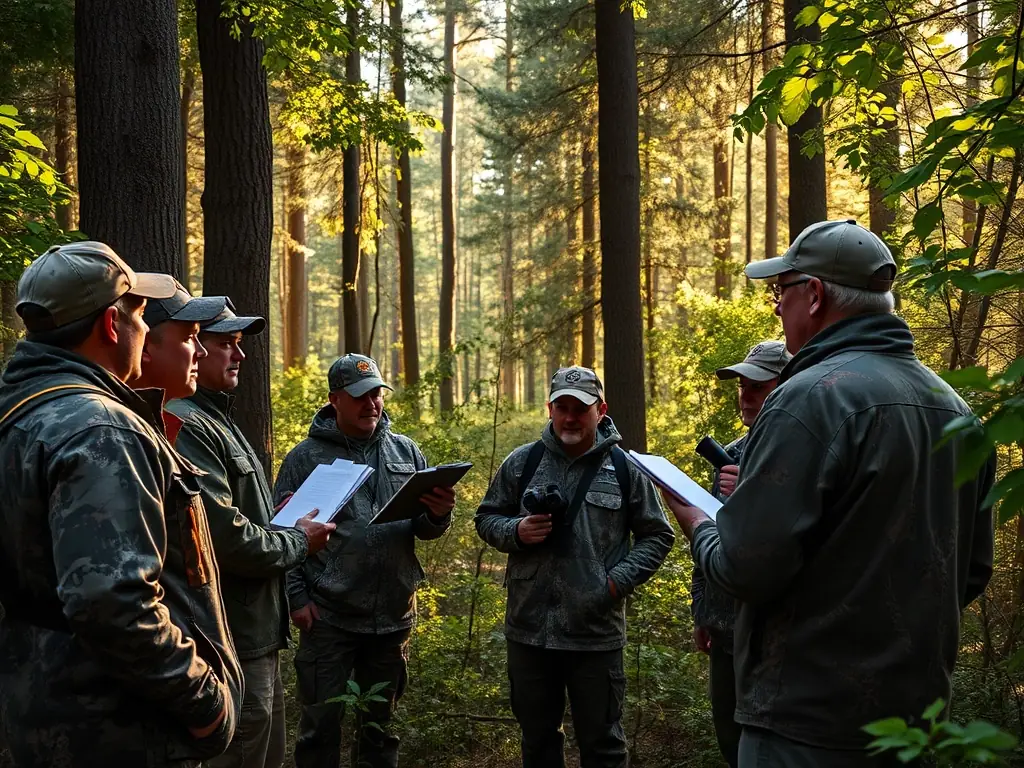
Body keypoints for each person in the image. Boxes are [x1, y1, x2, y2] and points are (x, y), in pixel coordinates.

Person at [665, 220, 995, 767]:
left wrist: (699, 522)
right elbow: (973, 570)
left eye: (781, 292)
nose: (776, 309)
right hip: (914, 727)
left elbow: (745, 567)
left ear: (814, 295)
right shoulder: (956, 409)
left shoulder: (808, 400)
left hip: (804, 727)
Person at [0, 242, 242, 767]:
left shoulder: (19, 416)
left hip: (39, 715)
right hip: (121, 731)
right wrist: (205, 703)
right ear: (112, 325)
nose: (143, 327)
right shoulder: (102, 428)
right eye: (137, 314)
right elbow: (112, 602)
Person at [475, 366, 675, 768]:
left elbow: (658, 535)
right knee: (538, 743)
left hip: (595, 635)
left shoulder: (626, 469)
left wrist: (615, 583)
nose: (570, 417)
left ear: (600, 410)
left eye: (580, 409)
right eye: (562, 407)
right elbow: (486, 518)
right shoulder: (522, 463)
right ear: (549, 408)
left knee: (602, 746)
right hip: (529, 632)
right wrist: (517, 531)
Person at [166, 299, 336, 768]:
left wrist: (275, 520)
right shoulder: (187, 424)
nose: (239, 357)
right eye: (226, 345)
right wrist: (299, 540)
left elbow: (233, 518)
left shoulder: (216, 419)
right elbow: (224, 540)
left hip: (257, 632)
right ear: (196, 350)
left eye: (239, 346)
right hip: (230, 637)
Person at [273, 353, 456, 768]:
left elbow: (424, 529)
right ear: (335, 399)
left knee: (379, 730)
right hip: (329, 619)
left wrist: (439, 513)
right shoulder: (305, 458)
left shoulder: (405, 451)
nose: (371, 403)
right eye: (360, 396)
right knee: (320, 729)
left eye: (376, 394)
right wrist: (297, 601)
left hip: (392, 617)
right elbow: (282, 536)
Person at [691, 340, 790, 768]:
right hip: (725, 629)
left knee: (770, 747)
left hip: (773, 637)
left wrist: (753, 493)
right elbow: (710, 532)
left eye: (758, 386)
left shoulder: (797, 451)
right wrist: (702, 611)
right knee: (730, 741)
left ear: (786, 387)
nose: (746, 396)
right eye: (742, 386)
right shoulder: (730, 454)